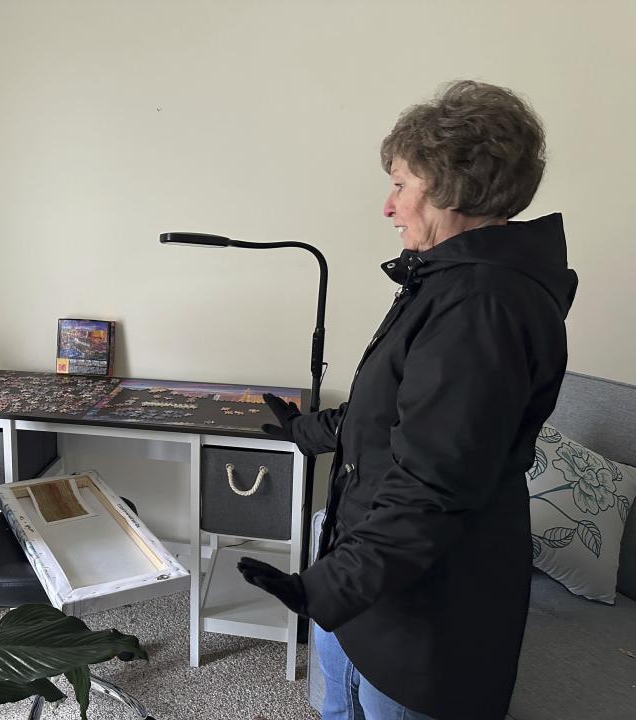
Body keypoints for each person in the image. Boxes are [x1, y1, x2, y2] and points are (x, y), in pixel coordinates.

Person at [237, 80, 577, 720]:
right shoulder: (452, 282)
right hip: (375, 579)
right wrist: (306, 432)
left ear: (454, 186)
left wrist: (327, 584)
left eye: (401, 183)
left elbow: (435, 484)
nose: (388, 206)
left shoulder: (482, 306)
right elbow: (397, 413)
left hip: (425, 607)